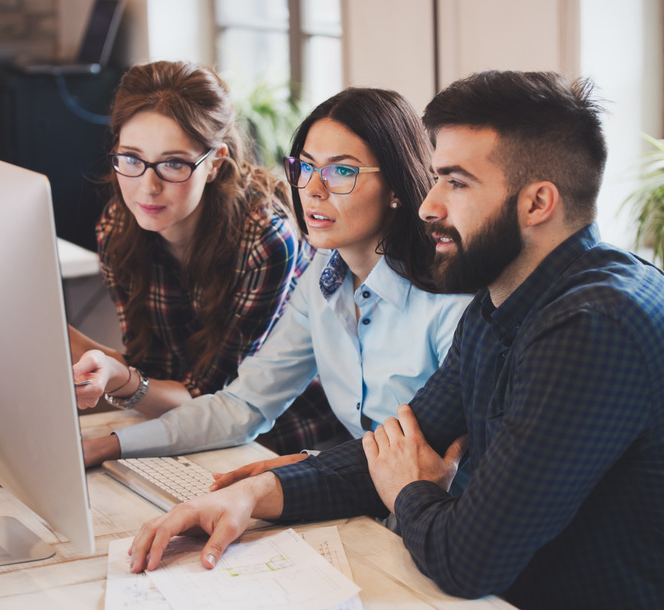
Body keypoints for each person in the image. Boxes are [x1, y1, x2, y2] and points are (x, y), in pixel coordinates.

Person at [124, 71, 664, 609]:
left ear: (537, 202)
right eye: (435, 177)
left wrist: (411, 490)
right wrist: (250, 496)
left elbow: (469, 561)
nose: (429, 204)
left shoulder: (596, 323)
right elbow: (402, 440)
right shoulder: (503, 301)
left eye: (456, 183)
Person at [78, 87, 472, 471]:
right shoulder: (324, 275)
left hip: (434, 514)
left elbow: (424, 458)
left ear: (396, 188)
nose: (312, 190)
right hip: (370, 492)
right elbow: (244, 405)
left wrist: (283, 480)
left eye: (341, 171)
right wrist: (107, 447)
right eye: (305, 167)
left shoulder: (450, 301)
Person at [69, 60, 337, 455]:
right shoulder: (119, 226)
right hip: (176, 424)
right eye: (131, 159)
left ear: (214, 162)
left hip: (276, 436)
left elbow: (215, 404)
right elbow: (154, 373)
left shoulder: (265, 240)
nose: (148, 187)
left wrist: (120, 378)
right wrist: (61, 338)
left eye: (173, 163)